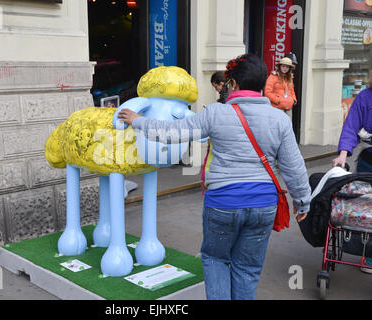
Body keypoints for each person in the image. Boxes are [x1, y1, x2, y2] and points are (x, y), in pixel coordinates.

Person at [118, 54, 311, 300]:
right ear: (263, 84)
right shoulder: (279, 120)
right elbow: (293, 166)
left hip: (223, 202)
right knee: (247, 268)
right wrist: (303, 201)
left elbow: (172, 132)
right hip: (263, 205)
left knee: (216, 260)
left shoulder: (215, 114)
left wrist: (138, 121)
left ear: (233, 84)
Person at [332, 69, 372, 274]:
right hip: (368, 160)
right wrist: (342, 154)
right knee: (365, 206)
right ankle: (367, 251)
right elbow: (351, 127)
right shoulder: (365, 97)